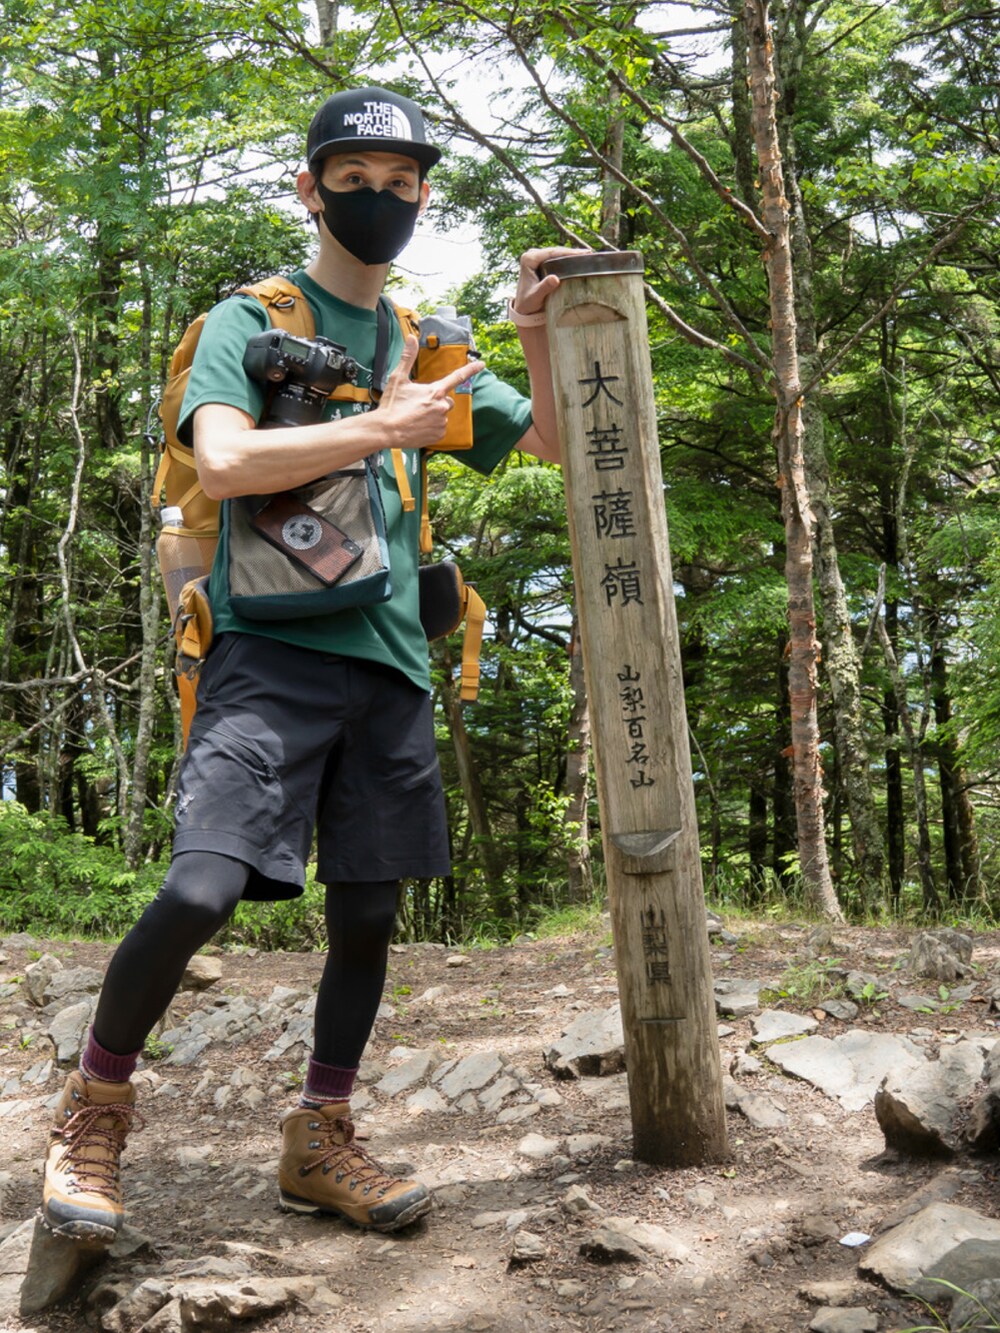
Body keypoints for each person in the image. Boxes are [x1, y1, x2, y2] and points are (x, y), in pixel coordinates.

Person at [42, 86, 576, 1241]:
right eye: (353, 177)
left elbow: (545, 439)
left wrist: (535, 326)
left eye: (401, 181)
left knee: (370, 914)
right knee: (200, 889)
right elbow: (224, 459)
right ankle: (94, 1113)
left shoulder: (426, 348)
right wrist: (379, 427)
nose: (378, 198)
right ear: (308, 186)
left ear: (425, 195)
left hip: (390, 664)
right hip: (265, 654)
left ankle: (318, 1138)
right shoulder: (251, 318)